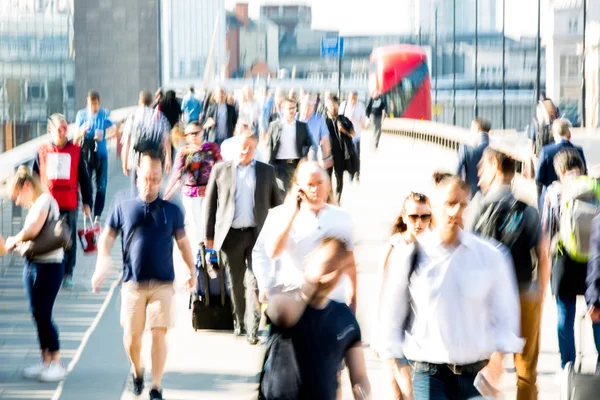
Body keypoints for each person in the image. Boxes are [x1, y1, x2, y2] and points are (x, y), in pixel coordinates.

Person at [379, 176, 523, 400]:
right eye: (449, 203)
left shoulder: (490, 256)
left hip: (477, 376)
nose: (455, 211)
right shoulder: (411, 255)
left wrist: (497, 363)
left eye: (462, 204)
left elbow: (507, 316)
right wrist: (400, 373)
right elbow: (390, 319)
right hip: (429, 375)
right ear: (434, 208)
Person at [91, 151, 197, 400]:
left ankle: (156, 387)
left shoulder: (172, 210)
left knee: (159, 332)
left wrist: (191, 271)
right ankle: (138, 371)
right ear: (137, 176)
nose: (151, 184)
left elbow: (183, 243)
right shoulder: (123, 205)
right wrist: (101, 262)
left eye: (156, 179)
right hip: (132, 283)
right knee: (131, 337)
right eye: (147, 178)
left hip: (162, 283)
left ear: (162, 179)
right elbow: (107, 237)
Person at [474, 148, 550, 399]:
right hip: (524, 292)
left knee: (484, 364)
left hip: (488, 297)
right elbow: (544, 253)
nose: (479, 176)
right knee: (526, 369)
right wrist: (540, 291)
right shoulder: (527, 210)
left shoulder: (480, 207)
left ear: (495, 167)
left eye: (482, 169)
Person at [262, 237, 371, 399]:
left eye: (336, 268)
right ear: (307, 263)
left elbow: (360, 375)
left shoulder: (345, 318)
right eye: (326, 266)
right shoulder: (285, 300)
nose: (329, 275)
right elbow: (281, 314)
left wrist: (362, 392)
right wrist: (311, 280)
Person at [204, 128, 282, 344]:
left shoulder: (266, 172)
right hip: (230, 238)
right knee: (235, 282)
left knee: (254, 281)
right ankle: (239, 321)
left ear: (255, 149)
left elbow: (278, 205)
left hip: (257, 236)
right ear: (236, 145)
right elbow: (210, 207)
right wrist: (209, 242)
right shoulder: (221, 170)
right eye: (242, 146)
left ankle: (252, 328)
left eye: (249, 147)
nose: (245, 150)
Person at [252, 161, 358, 312]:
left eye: (320, 183)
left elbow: (349, 263)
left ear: (328, 185)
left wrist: (353, 301)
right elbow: (272, 253)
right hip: (295, 301)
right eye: (310, 184)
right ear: (299, 188)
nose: (316, 189)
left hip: (333, 300)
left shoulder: (343, 217)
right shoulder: (279, 215)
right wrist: (293, 214)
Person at [5, 166, 66, 382]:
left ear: (28, 186)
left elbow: (32, 230)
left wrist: (13, 240)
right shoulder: (34, 205)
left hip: (49, 266)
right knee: (36, 313)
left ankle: (57, 362)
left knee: (44, 313)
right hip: (32, 266)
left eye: (17, 196)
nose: (18, 202)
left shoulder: (45, 200)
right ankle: (46, 360)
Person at [541, 147, 600, 372]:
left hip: (564, 259)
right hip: (594, 260)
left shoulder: (554, 192)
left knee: (564, 315)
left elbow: (546, 229)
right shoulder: (595, 186)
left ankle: (567, 366)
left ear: (560, 170)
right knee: (596, 310)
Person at [375, 192, 432, 400]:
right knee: (400, 392)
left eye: (425, 217)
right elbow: (381, 292)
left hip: (422, 336)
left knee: (409, 392)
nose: (419, 223)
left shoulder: (433, 247)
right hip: (393, 330)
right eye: (413, 217)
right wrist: (378, 336)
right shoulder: (393, 246)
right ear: (404, 216)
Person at [33, 113, 93, 289]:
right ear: (50, 129)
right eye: (59, 128)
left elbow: (84, 177)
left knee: (68, 240)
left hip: (69, 203)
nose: (62, 132)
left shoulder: (75, 150)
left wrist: (87, 202)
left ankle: (68, 273)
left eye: (65, 128)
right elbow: (35, 177)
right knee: (46, 238)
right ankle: (49, 272)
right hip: (46, 205)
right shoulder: (42, 151)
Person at [164, 122, 221, 258]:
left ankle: (210, 251)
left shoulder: (211, 148)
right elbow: (176, 174)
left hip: (209, 193)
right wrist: (166, 195)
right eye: (189, 134)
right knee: (194, 224)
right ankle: (198, 253)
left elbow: (221, 167)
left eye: (196, 133)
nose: (193, 136)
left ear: (202, 133)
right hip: (190, 194)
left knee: (207, 222)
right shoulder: (184, 152)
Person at [74, 90, 117, 219]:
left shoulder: (105, 114)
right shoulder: (81, 115)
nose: (93, 107)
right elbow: (75, 137)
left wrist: (105, 135)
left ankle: (98, 215)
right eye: (91, 104)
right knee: (88, 185)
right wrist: (82, 131)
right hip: (86, 155)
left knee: (101, 186)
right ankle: (89, 211)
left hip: (101, 154)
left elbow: (115, 129)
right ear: (87, 102)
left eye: (96, 104)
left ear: (99, 103)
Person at [121, 90, 172, 194]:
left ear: (140, 101)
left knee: (136, 189)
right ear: (152, 101)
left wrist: (125, 163)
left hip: (137, 160)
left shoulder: (133, 116)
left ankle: (138, 207)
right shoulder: (160, 116)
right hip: (155, 159)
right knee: (154, 188)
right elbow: (166, 140)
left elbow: (127, 143)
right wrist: (168, 159)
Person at [266, 97, 313, 194]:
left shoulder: (301, 126)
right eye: (289, 108)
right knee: (285, 193)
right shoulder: (274, 126)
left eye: (294, 108)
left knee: (297, 192)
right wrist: (270, 166)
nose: (292, 111)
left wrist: (308, 155)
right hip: (280, 166)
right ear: (283, 110)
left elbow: (309, 143)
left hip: (297, 165)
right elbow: (269, 147)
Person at [535, 118, 587, 202]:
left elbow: (539, 177)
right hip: (574, 196)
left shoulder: (546, 151)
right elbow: (584, 173)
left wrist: (539, 196)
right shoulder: (578, 150)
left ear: (553, 133)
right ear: (568, 133)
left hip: (551, 197)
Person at [325, 95, 356, 204]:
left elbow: (353, 133)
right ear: (327, 106)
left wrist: (344, 130)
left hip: (340, 153)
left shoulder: (343, 119)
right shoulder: (323, 120)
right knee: (327, 178)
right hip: (327, 154)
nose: (333, 108)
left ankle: (337, 200)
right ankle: (330, 199)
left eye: (335, 106)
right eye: (331, 106)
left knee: (339, 178)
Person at [456, 118, 490, 199]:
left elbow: (457, 170)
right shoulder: (495, 147)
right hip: (491, 192)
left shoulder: (465, 149)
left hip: (471, 192)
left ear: (476, 128)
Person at [300, 93, 333, 171]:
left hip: (313, 155)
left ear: (313, 106)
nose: (306, 108)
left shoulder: (319, 119)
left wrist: (326, 157)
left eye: (308, 105)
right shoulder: (296, 118)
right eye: (304, 105)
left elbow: (325, 139)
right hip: (298, 154)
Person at [340, 91, 367, 182]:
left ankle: (357, 174)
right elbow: (339, 119)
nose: (353, 101)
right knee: (348, 155)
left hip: (357, 135)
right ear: (348, 97)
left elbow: (363, 121)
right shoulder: (344, 105)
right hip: (346, 136)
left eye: (355, 99)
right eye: (351, 98)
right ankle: (351, 174)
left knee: (356, 155)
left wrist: (359, 120)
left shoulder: (360, 106)